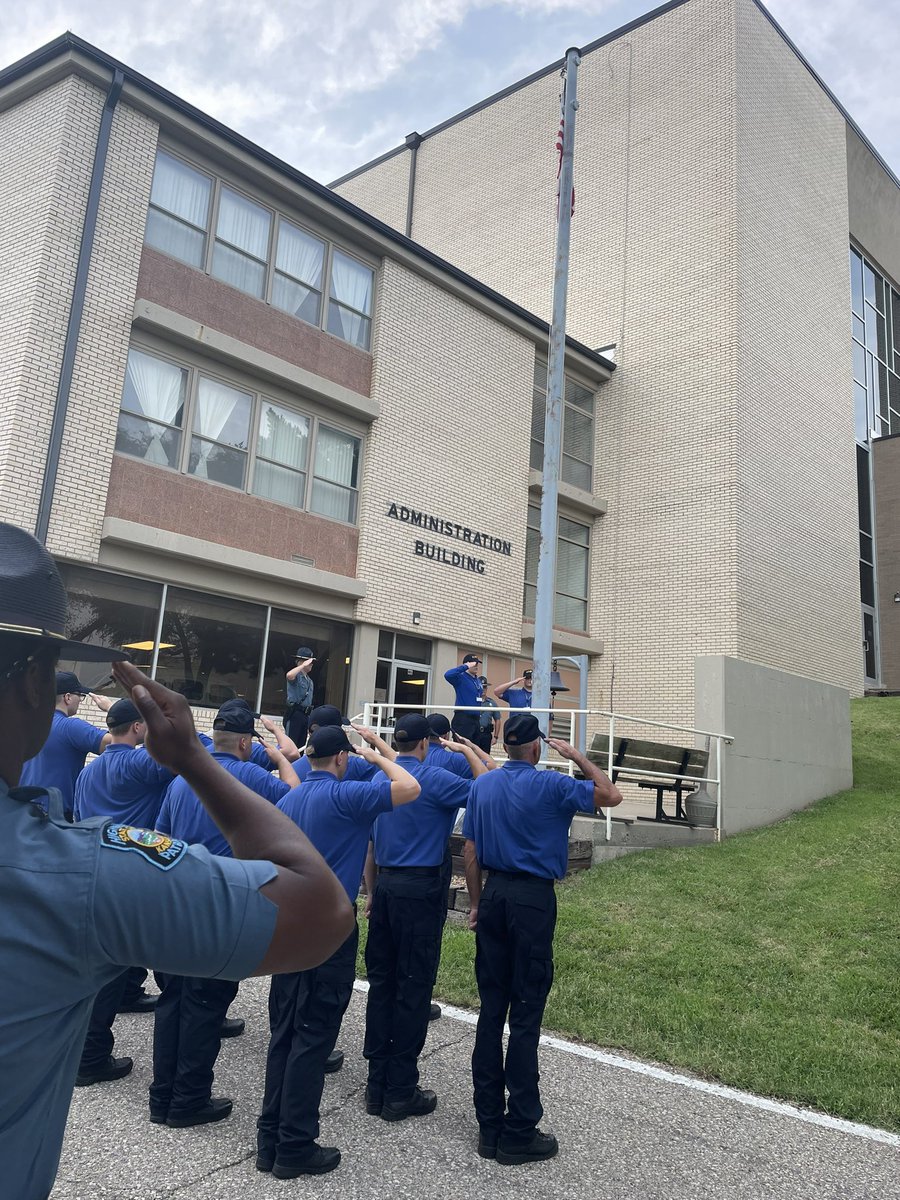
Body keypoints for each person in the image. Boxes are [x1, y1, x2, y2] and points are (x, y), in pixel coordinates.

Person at [0, 521, 353, 1200]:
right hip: (183, 908)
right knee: (199, 1012)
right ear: (32, 688)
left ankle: (173, 1092)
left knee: (172, 1009)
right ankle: (183, 1093)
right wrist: (192, 756)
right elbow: (322, 909)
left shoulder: (95, 792)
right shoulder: (75, 872)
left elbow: (164, 824)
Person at [256, 725, 420, 1179]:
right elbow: (410, 785)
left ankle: (269, 1140)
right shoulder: (348, 796)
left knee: (284, 1032)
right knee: (313, 1035)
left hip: (287, 925)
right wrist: (377, 755)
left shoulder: (289, 800)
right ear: (342, 758)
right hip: (329, 927)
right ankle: (294, 1145)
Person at [463, 712, 623, 1166]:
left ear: (505, 746)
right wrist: (577, 757)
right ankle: (519, 1129)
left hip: (494, 895)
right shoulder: (553, 785)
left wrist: (475, 904)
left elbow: (470, 850)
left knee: (491, 1010)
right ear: (536, 747)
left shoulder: (483, 786)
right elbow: (611, 795)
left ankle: (488, 1126)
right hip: (532, 900)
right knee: (526, 1012)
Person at [149, 705, 299, 1128]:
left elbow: (160, 838)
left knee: (173, 999)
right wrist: (280, 757)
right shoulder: (250, 776)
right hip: (220, 907)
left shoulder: (182, 780)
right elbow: (295, 795)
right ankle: (188, 1099)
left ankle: (162, 1096)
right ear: (247, 742)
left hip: (176, 902)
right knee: (204, 1004)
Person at [361, 713, 486, 1121]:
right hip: (419, 891)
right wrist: (469, 751)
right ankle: (400, 1090)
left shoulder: (379, 779)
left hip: (385, 887)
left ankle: (376, 1084)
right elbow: (487, 789)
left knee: (382, 984)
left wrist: (372, 892)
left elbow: (371, 847)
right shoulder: (434, 778)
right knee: (413, 986)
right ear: (425, 745)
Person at [72, 696, 182, 1086]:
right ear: (137, 727)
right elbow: (185, 752)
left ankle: (85, 1044)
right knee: (111, 968)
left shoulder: (89, 772)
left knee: (99, 963)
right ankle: (90, 1058)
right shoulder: (139, 764)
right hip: (128, 879)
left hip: (92, 874)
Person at [19, 670, 114, 815]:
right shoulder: (71, 728)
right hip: (53, 816)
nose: (80, 700)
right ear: (67, 697)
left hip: (18, 812)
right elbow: (120, 742)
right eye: (79, 695)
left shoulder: (25, 723)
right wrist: (111, 709)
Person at [443, 652, 483, 742]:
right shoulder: (460, 677)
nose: (476, 666)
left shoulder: (477, 680)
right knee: (462, 746)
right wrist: (465, 666)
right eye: (474, 664)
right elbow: (448, 675)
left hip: (476, 719)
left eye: (477, 664)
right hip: (463, 718)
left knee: (474, 747)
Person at [284, 646, 316, 745]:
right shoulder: (296, 676)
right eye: (309, 662)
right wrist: (302, 666)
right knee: (291, 745)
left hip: (305, 715)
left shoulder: (309, 681)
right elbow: (289, 675)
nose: (311, 664)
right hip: (295, 713)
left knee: (300, 747)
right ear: (300, 662)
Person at [476, 677, 502, 753]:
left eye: (484, 687)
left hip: (486, 734)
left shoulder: (492, 703)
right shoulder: (472, 701)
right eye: (481, 687)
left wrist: (495, 737)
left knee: (485, 757)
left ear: (487, 689)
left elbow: (497, 720)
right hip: (474, 733)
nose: (483, 689)